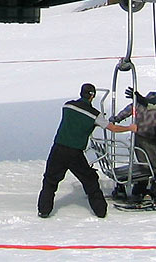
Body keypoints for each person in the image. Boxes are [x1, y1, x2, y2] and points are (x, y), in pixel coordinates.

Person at [37, 83, 134, 219]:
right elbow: (112, 128)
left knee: (50, 180)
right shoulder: (94, 115)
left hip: (58, 148)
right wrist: (130, 128)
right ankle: (100, 211)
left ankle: (44, 210)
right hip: (75, 153)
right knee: (89, 180)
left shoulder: (68, 106)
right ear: (92, 96)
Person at [112, 85, 156, 204]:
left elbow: (129, 109)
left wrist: (117, 118)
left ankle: (140, 188)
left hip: (138, 136)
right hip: (151, 138)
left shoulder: (141, 102)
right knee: (155, 166)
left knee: (143, 163)